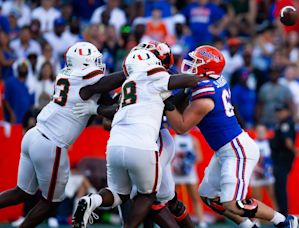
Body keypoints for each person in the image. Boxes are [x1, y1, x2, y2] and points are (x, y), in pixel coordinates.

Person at [71, 41, 204, 228]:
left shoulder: (133, 81)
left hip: (134, 140)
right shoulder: (158, 76)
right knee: (150, 197)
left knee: (142, 196)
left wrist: (97, 109)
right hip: (147, 141)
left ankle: (95, 201)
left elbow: (110, 118)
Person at [164, 45, 298, 228]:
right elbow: (188, 89)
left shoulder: (205, 99)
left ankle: (283, 221)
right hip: (227, 149)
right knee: (209, 196)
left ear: (206, 69)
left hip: (236, 150)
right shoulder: (214, 80)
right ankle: (249, 226)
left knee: (232, 203)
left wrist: (165, 101)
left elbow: (181, 126)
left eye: (196, 62)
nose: (190, 65)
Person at [0, 41, 109, 227]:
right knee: (52, 202)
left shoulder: (66, 74)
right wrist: (134, 73)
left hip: (34, 135)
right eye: (94, 60)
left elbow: (105, 96)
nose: (99, 64)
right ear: (84, 63)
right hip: (51, 143)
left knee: (22, 192)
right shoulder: (86, 79)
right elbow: (107, 83)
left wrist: (100, 108)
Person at [172, 133, 206, 227]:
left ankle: (201, 221)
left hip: (190, 173)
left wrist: (188, 159)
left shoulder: (193, 140)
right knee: (171, 198)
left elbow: (200, 157)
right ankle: (171, 220)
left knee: (195, 197)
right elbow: (170, 156)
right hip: (176, 173)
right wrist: (179, 161)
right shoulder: (174, 139)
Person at [271, 103, 297, 216]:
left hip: (282, 159)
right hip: (278, 158)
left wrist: (294, 150)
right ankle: (281, 212)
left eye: (281, 111)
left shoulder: (286, 123)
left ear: (287, 112)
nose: (278, 113)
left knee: (280, 187)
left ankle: (284, 213)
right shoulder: (281, 123)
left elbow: (288, 142)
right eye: (277, 111)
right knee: (278, 187)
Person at [250, 125, 277, 219]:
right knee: (256, 198)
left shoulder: (271, 143)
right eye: (259, 131)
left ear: (266, 132)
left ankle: (277, 218)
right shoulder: (252, 143)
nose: (261, 133)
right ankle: (255, 219)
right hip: (256, 174)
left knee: (273, 196)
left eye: (263, 131)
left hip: (268, 174)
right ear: (255, 132)